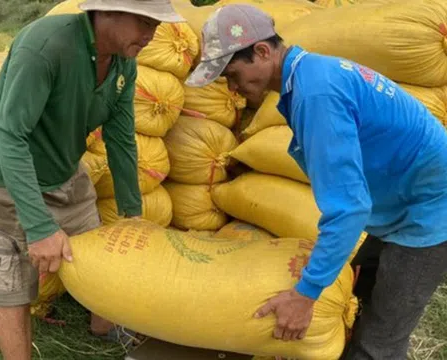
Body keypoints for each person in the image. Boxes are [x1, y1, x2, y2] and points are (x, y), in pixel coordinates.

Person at [186, 4, 447, 359]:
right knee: (358, 292)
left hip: (430, 214)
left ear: (262, 51)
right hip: (404, 201)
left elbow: (349, 209)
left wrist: (305, 295)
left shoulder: (317, 95)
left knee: (379, 343)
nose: (232, 87)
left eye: (232, 74)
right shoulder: (308, 76)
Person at [0, 0, 184, 359]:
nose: (151, 34)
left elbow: (121, 139)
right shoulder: (46, 46)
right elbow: (9, 137)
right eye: (144, 21)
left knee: (105, 253)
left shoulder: (123, 64)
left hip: (64, 171)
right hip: (4, 174)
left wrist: (132, 215)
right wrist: (38, 228)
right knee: (13, 286)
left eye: (157, 25)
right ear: (106, 12)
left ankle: (104, 328)